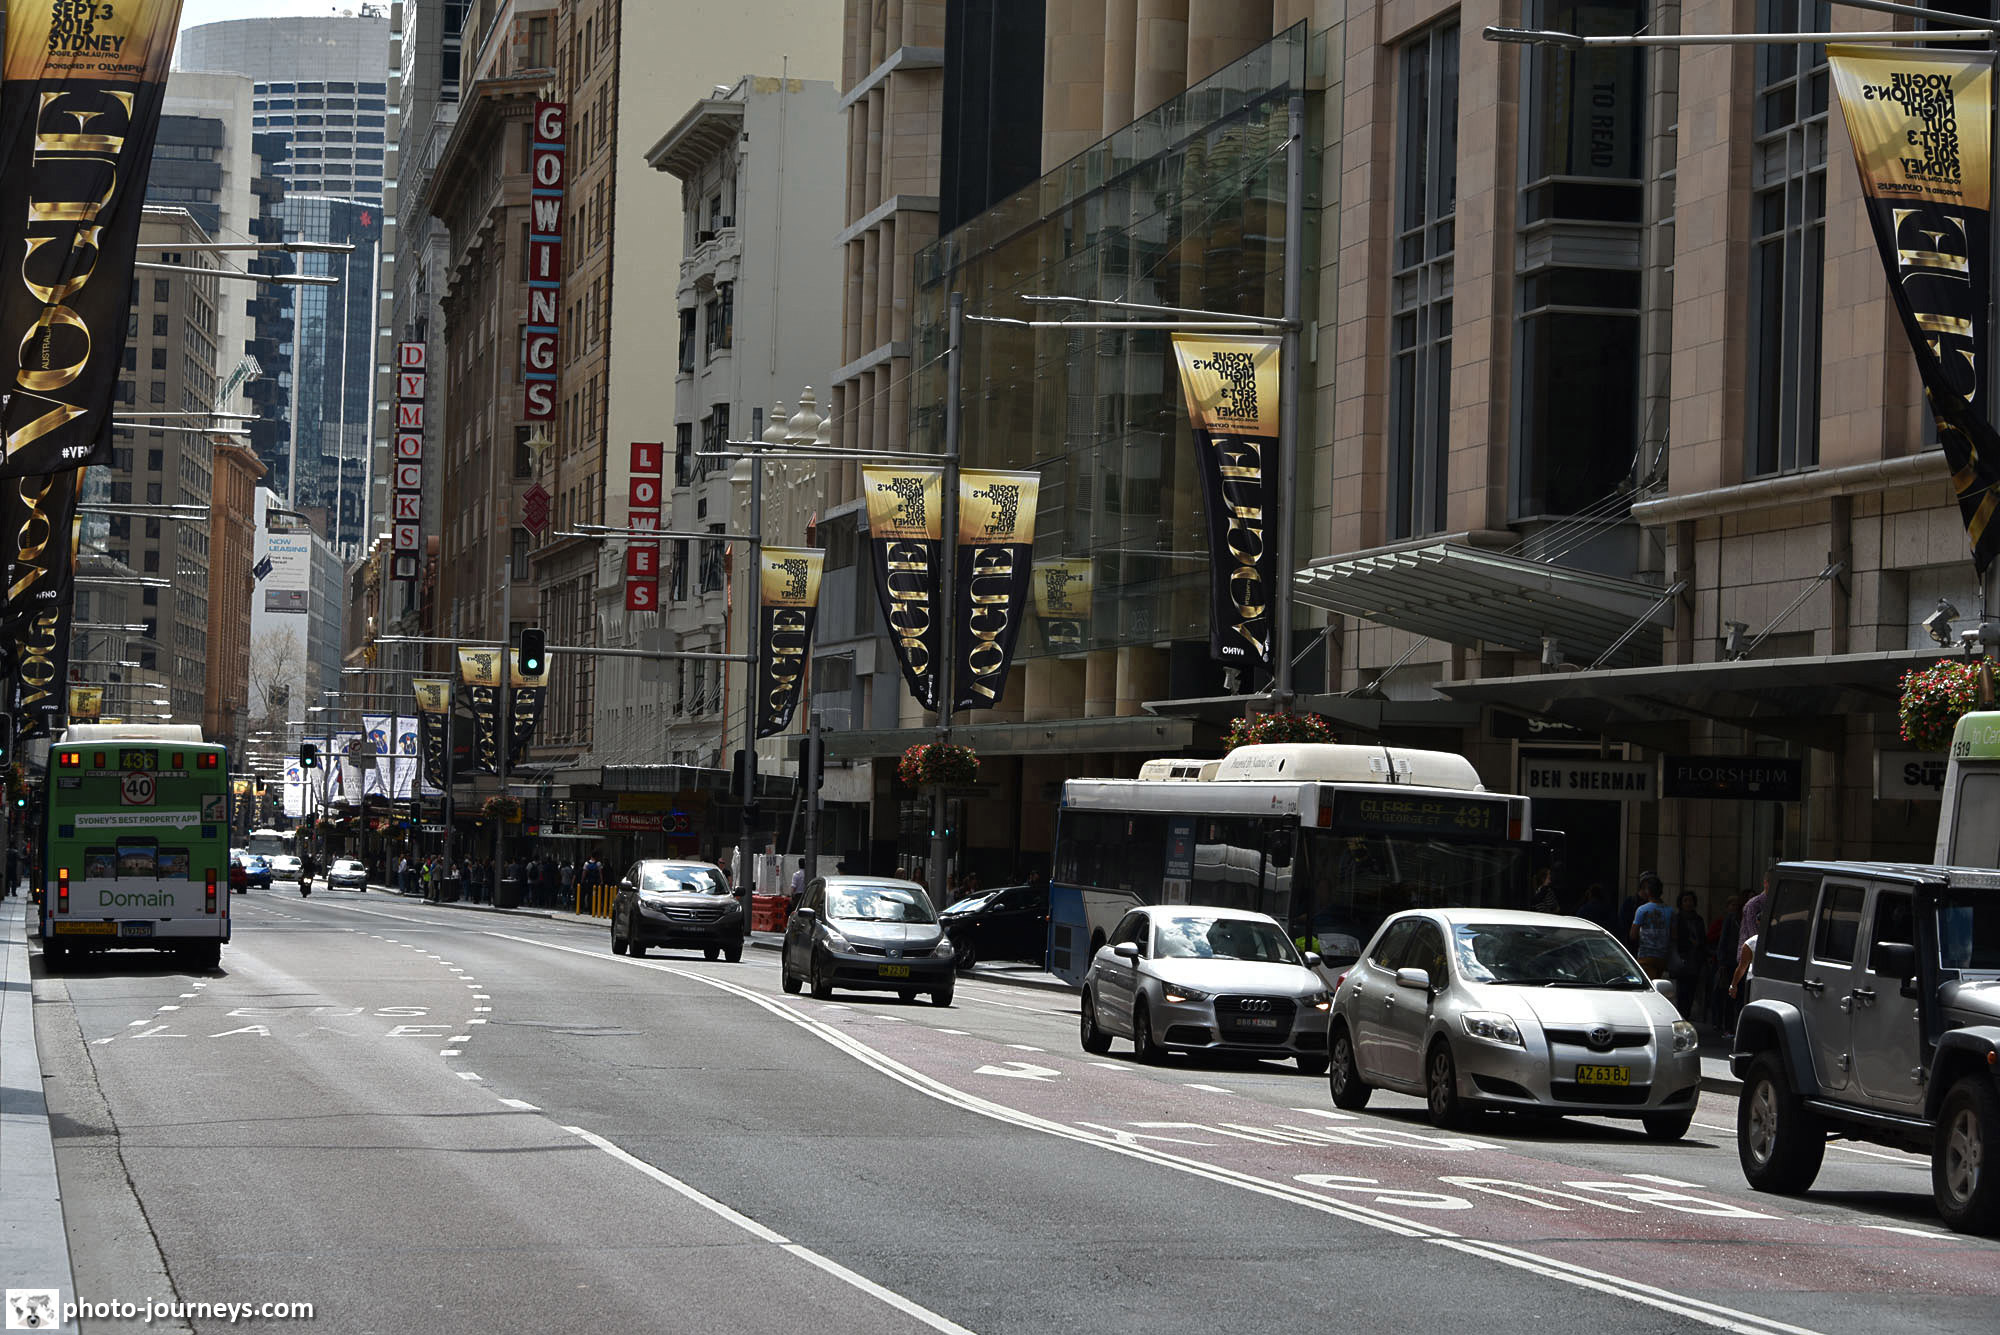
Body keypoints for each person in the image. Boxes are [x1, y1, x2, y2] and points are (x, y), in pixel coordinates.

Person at [1669, 890, 1706, 1018]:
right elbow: (1675, 938)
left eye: (1690, 900)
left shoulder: (1698, 919)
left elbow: (1703, 938)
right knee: (1682, 990)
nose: (1688, 903)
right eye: (1685, 900)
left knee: (1692, 990)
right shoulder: (1677, 918)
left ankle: (1687, 1015)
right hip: (1682, 957)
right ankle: (1681, 1015)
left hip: (1695, 958)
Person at [1628, 874, 1672, 977]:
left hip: (1646, 955)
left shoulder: (1642, 910)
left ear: (1648, 891)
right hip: (1663, 956)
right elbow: (1674, 936)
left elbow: (1633, 935)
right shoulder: (1670, 911)